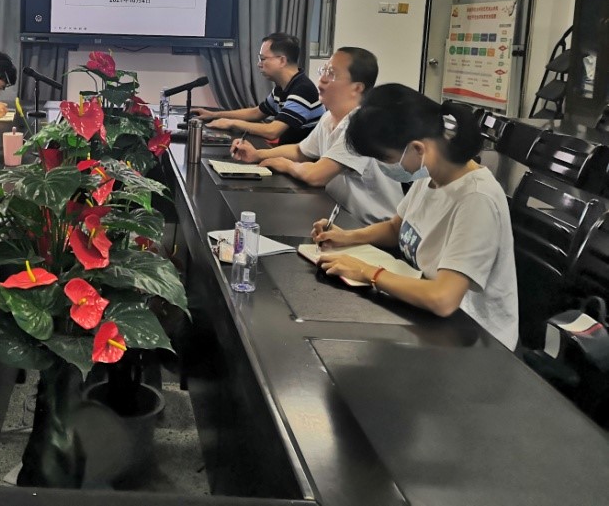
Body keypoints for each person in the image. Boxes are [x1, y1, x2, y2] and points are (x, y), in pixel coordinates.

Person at [312, 84, 518, 349]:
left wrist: (367, 272)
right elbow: (396, 228)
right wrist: (346, 237)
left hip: (474, 338)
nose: (383, 166)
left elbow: (443, 298)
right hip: (426, 314)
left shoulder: (476, 199)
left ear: (418, 149)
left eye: (385, 158)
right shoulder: (429, 174)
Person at [230, 47, 401, 225]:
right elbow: (300, 151)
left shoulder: (361, 125)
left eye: (331, 73)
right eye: (324, 70)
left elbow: (316, 175)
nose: (322, 78)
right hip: (340, 216)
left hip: (374, 228)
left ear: (356, 88)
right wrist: (258, 154)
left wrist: (285, 164)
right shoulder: (328, 117)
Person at [193, 32, 323, 144]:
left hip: (302, 161)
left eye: (262, 59)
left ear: (282, 61)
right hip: (286, 154)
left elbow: (272, 131)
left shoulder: (302, 89)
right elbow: (256, 113)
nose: (259, 64)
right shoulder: (282, 87)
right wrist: (214, 115)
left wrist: (231, 123)